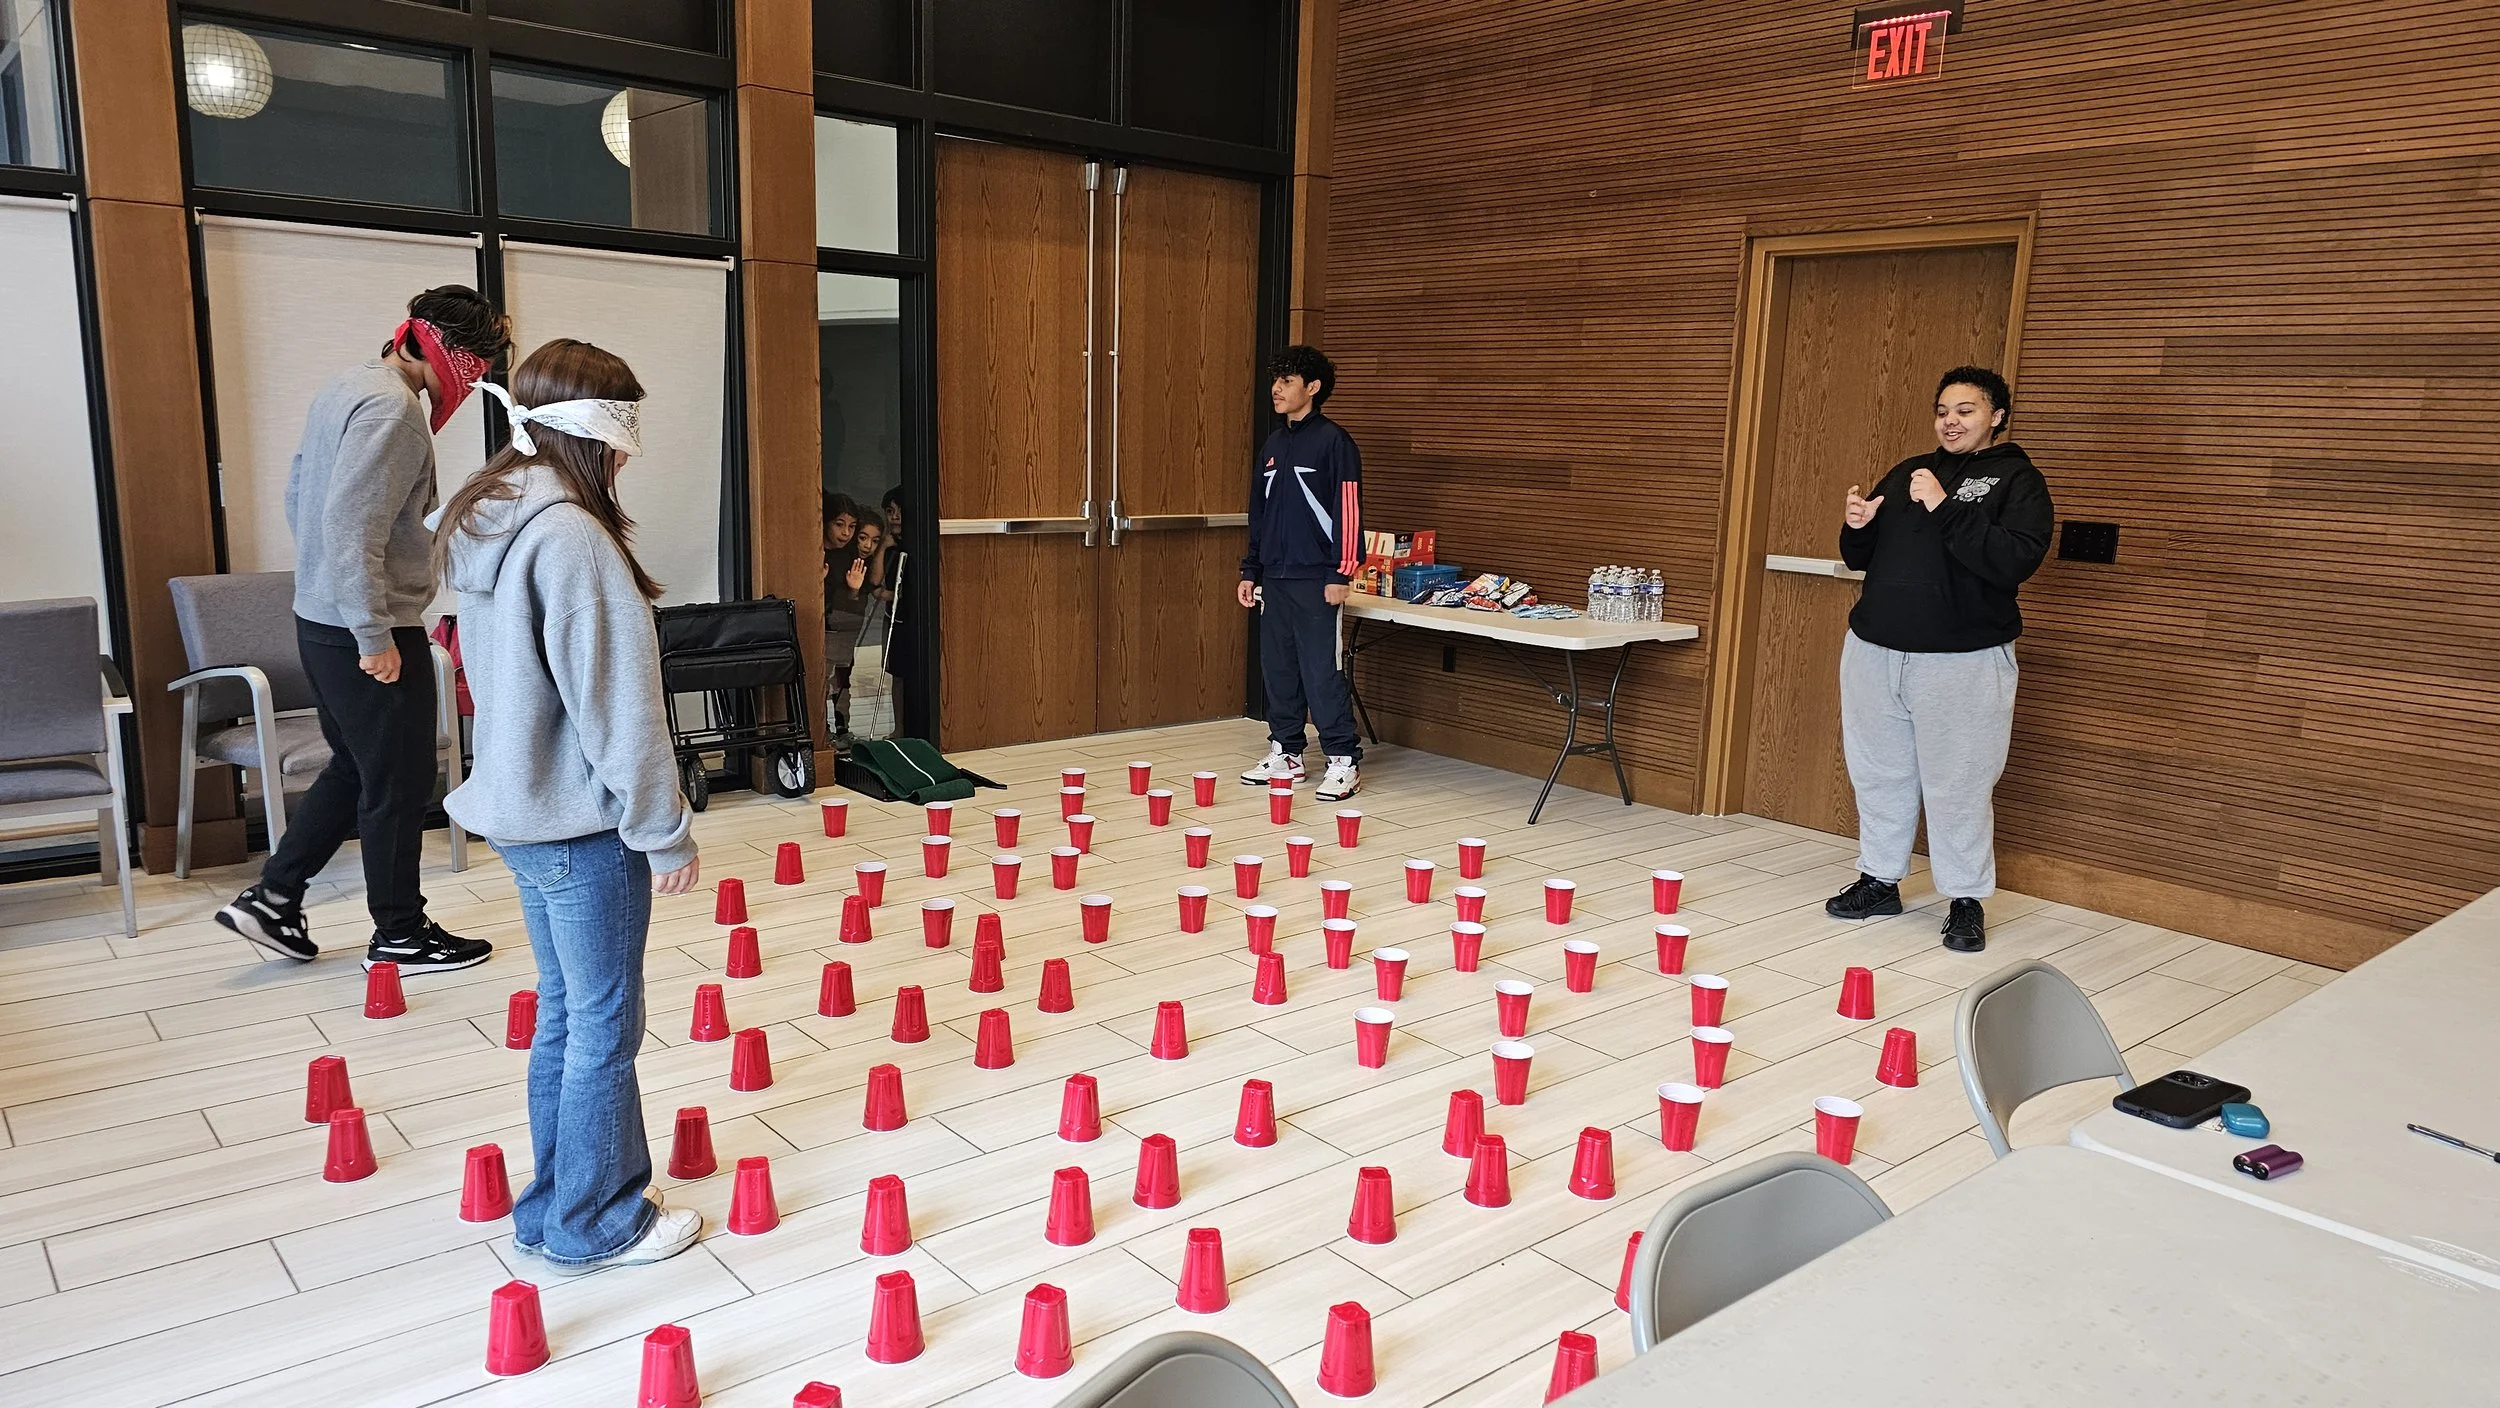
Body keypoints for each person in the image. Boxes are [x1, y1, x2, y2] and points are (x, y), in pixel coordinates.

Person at [435, 338, 704, 1273]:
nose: (629, 453)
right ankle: (597, 1221)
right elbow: (619, 709)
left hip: (519, 814)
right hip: (580, 828)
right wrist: (664, 832)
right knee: (603, 1025)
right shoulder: (573, 540)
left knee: (566, 1013)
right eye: (624, 431)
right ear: (597, 434)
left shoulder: (493, 516)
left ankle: (553, 1203)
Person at [215, 286, 508, 972]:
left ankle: (273, 899)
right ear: (446, 351)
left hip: (323, 616)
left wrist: (331, 589)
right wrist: (372, 634)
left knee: (359, 766)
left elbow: (300, 492)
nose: (475, 381)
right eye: (475, 364)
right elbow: (352, 525)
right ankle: (400, 931)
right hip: (366, 626)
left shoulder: (349, 384)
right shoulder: (393, 410)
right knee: (401, 779)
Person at [1823, 366, 2052, 952]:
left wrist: (1945, 506)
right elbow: (1862, 557)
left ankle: (1965, 900)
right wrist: (1857, 528)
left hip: (1962, 659)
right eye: (1943, 411)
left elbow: (2013, 561)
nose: (1951, 421)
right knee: (1879, 772)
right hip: (1875, 649)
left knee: (1960, 785)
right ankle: (1879, 881)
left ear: (1997, 416)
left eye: (1966, 410)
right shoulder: (1908, 471)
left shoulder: (2018, 481)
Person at [1236, 344, 1364, 803]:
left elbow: (1348, 510)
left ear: (1312, 387)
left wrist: (1340, 572)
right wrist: (1251, 569)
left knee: (1321, 670)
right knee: (1279, 668)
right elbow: (1260, 513)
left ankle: (1343, 760)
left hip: (1317, 579)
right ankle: (1287, 753)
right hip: (1275, 578)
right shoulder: (1273, 445)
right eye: (1276, 380)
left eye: (1286, 381)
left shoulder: (1334, 442)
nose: (1276, 388)